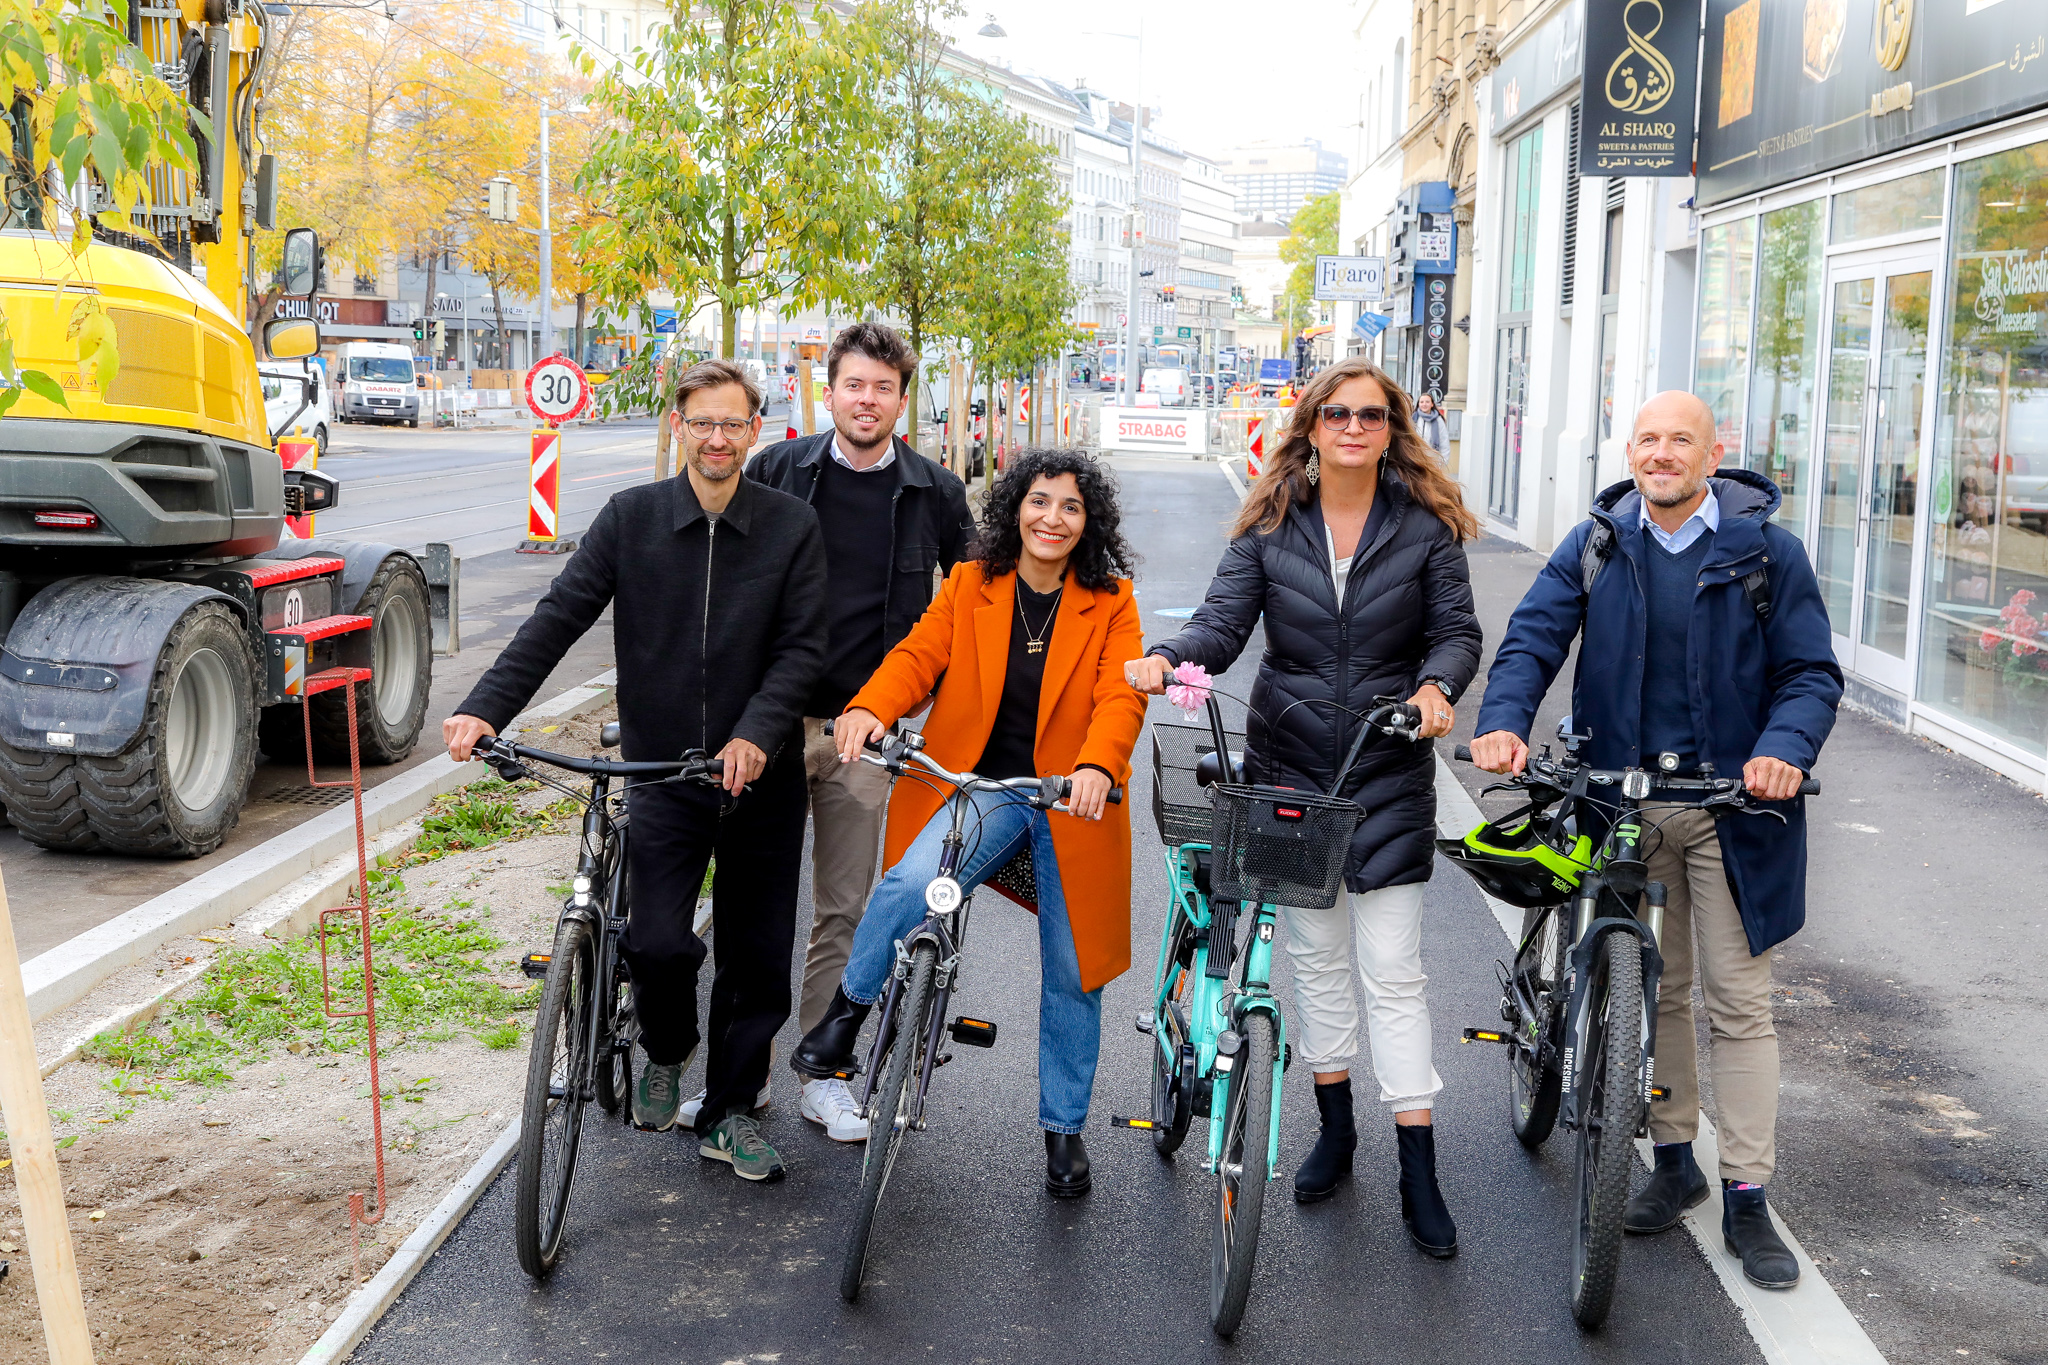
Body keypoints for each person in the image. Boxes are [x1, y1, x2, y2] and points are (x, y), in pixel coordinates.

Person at [1470, 390, 1842, 1289]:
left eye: (1682, 441)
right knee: (1655, 986)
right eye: (1648, 439)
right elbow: (1532, 637)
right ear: (1630, 452)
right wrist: (1505, 720)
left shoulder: (1767, 553)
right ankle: (1674, 1160)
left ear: (1715, 456)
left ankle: (1747, 1191)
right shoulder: (1599, 540)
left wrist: (1780, 753)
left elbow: (1809, 672)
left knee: (1737, 1002)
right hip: (1620, 798)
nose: (1662, 453)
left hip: (1731, 806)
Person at [1128, 356, 1482, 1257]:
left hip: (1389, 769)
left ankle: (1419, 1166)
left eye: (1369, 414)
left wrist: (1440, 686)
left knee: (1394, 972)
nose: (1352, 427)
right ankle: (1335, 1128)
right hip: (1291, 772)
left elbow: (1455, 631)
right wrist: (1169, 656)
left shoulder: (1426, 530)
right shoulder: (1270, 525)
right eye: (1336, 413)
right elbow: (1221, 623)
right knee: (1318, 964)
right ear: (1312, 425)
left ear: (1391, 427)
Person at [444, 359, 827, 1184]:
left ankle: (726, 1112)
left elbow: (803, 650)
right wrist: (485, 708)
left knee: (758, 963)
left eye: (733, 423)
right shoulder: (632, 519)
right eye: (702, 422)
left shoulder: (792, 526)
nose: (717, 438)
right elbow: (557, 616)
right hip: (662, 770)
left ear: (755, 431)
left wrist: (758, 734)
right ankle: (667, 1047)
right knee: (656, 942)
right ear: (678, 427)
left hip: (762, 780)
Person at [790, 447, 1146, 1198]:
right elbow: (918, 656)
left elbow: (1122, 697)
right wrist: (866, 707)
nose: (1053, 518)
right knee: (910, 881)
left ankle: (1063, 1128)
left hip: (1070, 797)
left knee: (1074, 970)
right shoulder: (971, 583)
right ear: (1015, 507)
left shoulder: (1112, 600)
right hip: (981, 788)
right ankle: (846, 1018)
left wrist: (1097, 765)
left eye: (1072, 507)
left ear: (1090, 524)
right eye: (1040, 501)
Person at [738, 324, 976, 1143]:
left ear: (902, 399)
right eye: (853, 385)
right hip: (769, 722)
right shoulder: (776, 469)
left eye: (882, 387)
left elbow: (975, 603)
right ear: (829, 391)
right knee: (752, 900)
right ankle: (744, 1074)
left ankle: (821, 1073)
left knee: (844, 905)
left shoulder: (935, 492)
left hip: (867, 734)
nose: (866, 399)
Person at [1414, 392, 1449, 463]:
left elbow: (1444, 442)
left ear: (1432, 404)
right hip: (1416, 460)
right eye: (1422, 402)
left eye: (1427, 402)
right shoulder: (1414, 419)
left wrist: (1442, 463)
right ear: (1418, 404)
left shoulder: (1438, 421)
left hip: (1433, 461)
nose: (1424, 404)